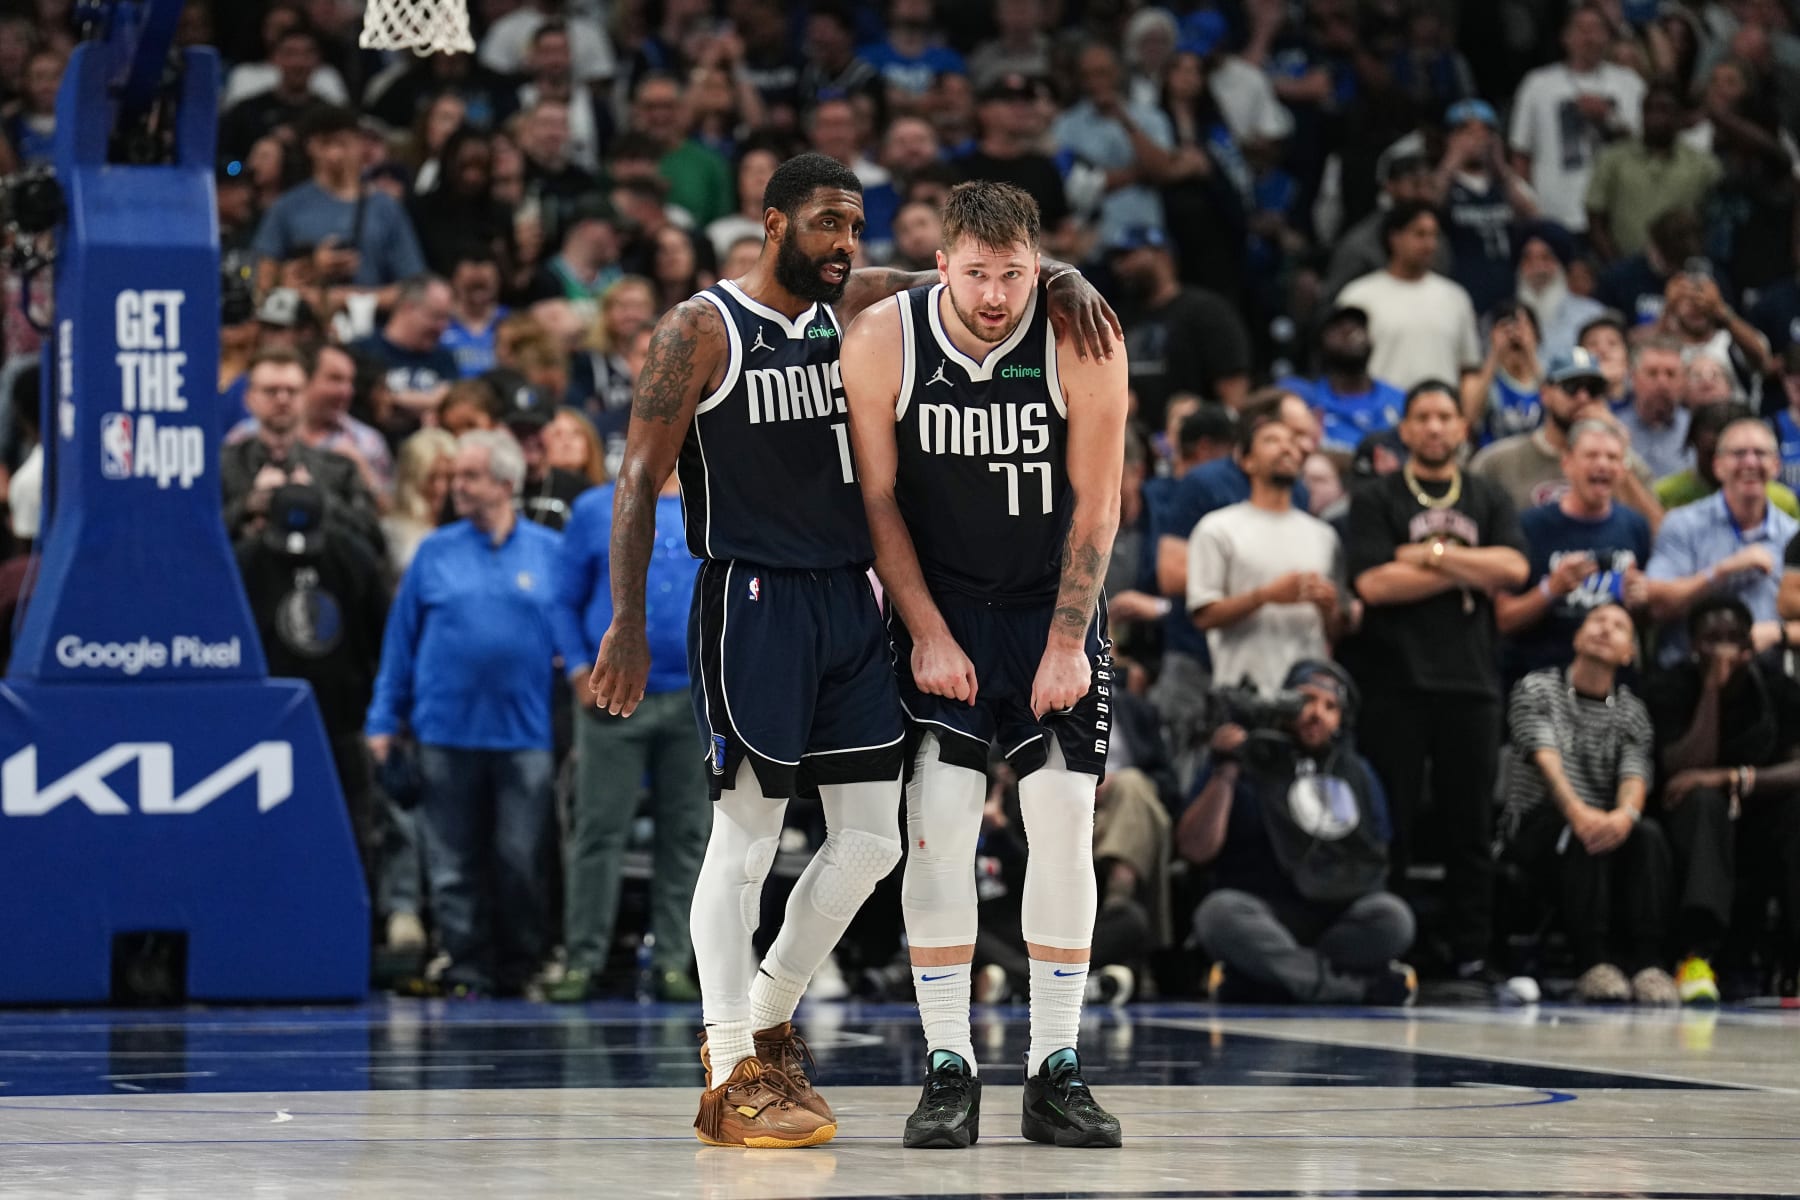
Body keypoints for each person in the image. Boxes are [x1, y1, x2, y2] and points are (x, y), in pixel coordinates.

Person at [586, 153, 1119, 1148]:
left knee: (873, 840)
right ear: (772, 220)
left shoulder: (856, 306)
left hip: (847, 598)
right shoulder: (699, 328)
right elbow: (635, 481)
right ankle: (728, 1054)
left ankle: (773, 1012)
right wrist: (623, 622)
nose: (844, 244)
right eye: (826, 223)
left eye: (855, 227)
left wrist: (1066, 278)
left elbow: (966, 277)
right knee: (744, 841)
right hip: (752, 597)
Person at [841, 180, 1128, 1150]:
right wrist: (922, 628)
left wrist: (1065, 640)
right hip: (945, 604)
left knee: (1063, 822)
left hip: (1050, 603)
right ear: (943, 263)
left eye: (1015, 274)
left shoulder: (1083, 333)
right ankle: (948, 1067)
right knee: (939, 831)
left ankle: (1056, 1067)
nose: (997, 295)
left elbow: (1098, 505)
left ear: (1038, 264)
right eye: (977, 274)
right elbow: (876, 502)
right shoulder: (885, 336)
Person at [365, 430, 585, 997]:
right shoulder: (434, 552)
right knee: (451, 864)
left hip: (525, 733)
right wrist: (384, 721)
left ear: (506, 484)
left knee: (520, 859)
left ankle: (521, 963)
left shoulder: (547, 551)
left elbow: (575, 630)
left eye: (469, 476)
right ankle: (466, 967)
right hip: (444, 732)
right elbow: (399, 641)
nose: (456, 486)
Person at [1342, 380, 1530, 999]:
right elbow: (1374, 586)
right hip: (1395, 683)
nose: (1434, 426)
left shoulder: (1489, 494)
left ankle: (1471, 954)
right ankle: (1391, 951)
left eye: (1444, 415)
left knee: (1469, 828)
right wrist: (1463, 567)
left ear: (1461, 428)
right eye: (1422, 416)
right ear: (1405, 429)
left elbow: (1514, 571)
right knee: (1390, 823)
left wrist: (1427, 555)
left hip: (1472, 684)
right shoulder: (1375, 497)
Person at [553, 469, 707, 1002]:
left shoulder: (711, 498)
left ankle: (673, 961)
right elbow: (562, 600)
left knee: (688, 835)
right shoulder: (598, 507)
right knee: (598, 832)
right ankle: (582, 960)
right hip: (612, 694)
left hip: (693, 695)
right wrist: (576, 669)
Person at [1181, 661, 1416, 1005]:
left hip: (1338, 918)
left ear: (1341, 721)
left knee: (1394, 918)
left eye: (1330, 707)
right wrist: (1227, 771)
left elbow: (1376, 856)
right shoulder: (1243, 756)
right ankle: (1352, 990)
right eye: (1306, 700)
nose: (1317, 713)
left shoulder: (1358, 772)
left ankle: (1267, 982)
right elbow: (1194, 850)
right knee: (1217, 914)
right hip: (1264, 913)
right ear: (1283, 702)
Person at [1502, 604, 1679, 1005]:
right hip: (1537, 826)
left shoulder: (1632, 710)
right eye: (1597, 621)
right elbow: (1545, 759)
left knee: (1647, 833)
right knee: (1577, 830)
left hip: (1601, 828)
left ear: (1628, 654)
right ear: (1577, 637)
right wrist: (1581, 813)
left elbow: (1636, 774)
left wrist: (1624, 816)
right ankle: (1592, 963)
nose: (1605, 629)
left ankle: (1648, 964)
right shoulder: (1537, 688)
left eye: (1619, 626)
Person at [1645, 595, 1800, 1003]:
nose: (1726, 648)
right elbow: (1684, 768)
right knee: (1704, 800)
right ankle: (1698, 957)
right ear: (1694, 645)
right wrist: (1712, 689)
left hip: (1757, 820)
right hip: (1689, 827)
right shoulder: (1671, 684)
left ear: (1750, 644)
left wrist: (1734, 776)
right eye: (1714, 638)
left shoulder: (1776, 687)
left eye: (1735, 637)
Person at [1188, 407, 1342, 697]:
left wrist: (1330, 608)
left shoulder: (1324, 535)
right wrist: (1266, 596)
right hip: (1241, 691)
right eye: (1272, 440)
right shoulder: (1217, 528)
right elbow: (1203, 616)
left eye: (1293, 442)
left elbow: (1333, 631)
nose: (1286, 447)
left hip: (1309, 696)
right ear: (1246, 460)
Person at [1496, 419, 1653, 684]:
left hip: (1611, 685)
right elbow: (1504, 619)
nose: (1602, 464)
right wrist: (1551, 589)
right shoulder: (1529, 526)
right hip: (1537, 679)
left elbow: (1644, 620)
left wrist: (1640, 601)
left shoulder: (1635, 526)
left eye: (1613, 457)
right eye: (1591, 455)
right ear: (1567, 463)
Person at [1645, 416, 1800, 665]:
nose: (1750, 462)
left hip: (1767, 678)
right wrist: (1723, 570)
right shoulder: (1682, 524)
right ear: (1718, 466)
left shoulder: (1793, 535)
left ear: (1776, 466)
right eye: (1738, 454)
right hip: (1687, 671)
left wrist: (1776, 633)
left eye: (1760, 453)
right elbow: (1657, 605)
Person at [220, 348, 384, 563]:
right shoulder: (221, 465)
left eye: (292, 391)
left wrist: (316, 500)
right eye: (271, 391)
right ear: (249, 398)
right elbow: (192, 535)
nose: (282, 399)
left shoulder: (338, 468)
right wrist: (247, 505)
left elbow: (373, 539)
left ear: (306, 395)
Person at [1470, 348, 1661, 524]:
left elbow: (1657, 531)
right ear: (1545, 393)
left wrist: (1618, 451)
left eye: (1593, 389)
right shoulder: (1498, 462)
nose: (1583, 398)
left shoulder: (1624, 462)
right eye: (1572, 387)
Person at [1507, 3, 1646, 233]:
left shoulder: (1630, 83)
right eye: (1581, 29)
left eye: (1595, 29)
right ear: (1566, 37)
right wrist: (1529, 210)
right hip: (1555, 212)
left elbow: (1645, 146)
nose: (1588, 37)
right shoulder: (1538, 84)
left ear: (1607, 37)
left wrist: (1609, 118)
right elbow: (1521, 154)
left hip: (1618, 212)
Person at [1336, 201, 1482, 393]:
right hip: (1379, 418)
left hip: (1439, 416)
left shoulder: (1456, 297)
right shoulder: (1358, 296)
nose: (1430, 245)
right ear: (1395, 238)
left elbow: (1469, 368)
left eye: (1434, 236)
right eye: (1420, 234)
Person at [1112, 225, 1251, 423]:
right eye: (1117, 259)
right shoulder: (1119, 317)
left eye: (1129, 255)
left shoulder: (1206, 311)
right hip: (1135, 440)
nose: (1121, 266)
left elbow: (1233, 391)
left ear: (1162, 256)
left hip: (1197, 439)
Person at [1585, 82, 1723, 265]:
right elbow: (1595, 217)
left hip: (1685, 266)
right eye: (1649, 109)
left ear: (1680, 116)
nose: (1655, 116)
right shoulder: (1613, 159)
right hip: (1623, 265)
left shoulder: (1703, 165)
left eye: (1664, 109)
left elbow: (1714, 220)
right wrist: (1615, 264)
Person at [1277, 305, 1404, 456]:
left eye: (1358, 326)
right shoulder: (1305, 401)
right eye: (1338, 328)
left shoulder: (1400, 400)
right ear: (1320, 343)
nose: (1351, 332)